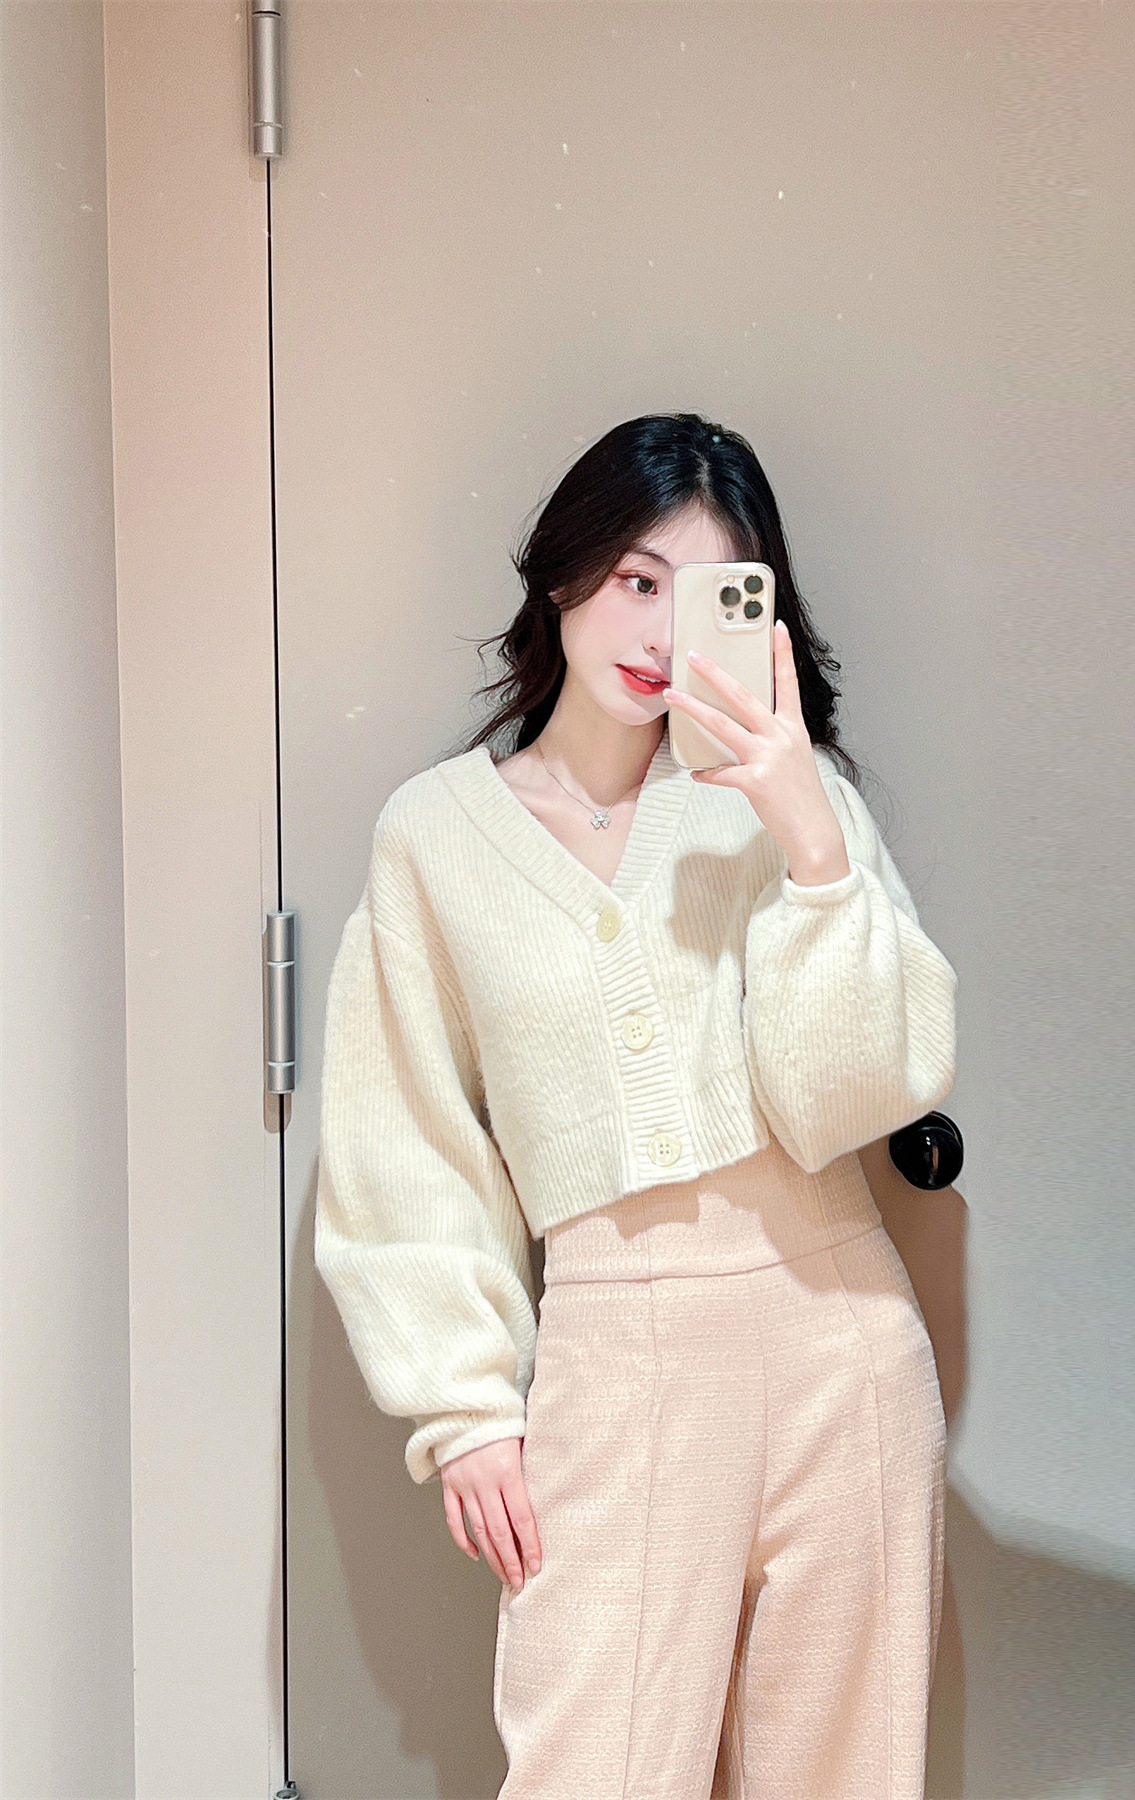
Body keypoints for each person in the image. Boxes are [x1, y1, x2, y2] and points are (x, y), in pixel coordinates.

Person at [314, 412, 958, 1799]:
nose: (661, 630)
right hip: (615, 1356)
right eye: (634, 578)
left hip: (838, 1335)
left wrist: (809, 837)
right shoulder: (435, 836)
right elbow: (400, 1142)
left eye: (708, 592)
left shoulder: (792, 807)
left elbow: (856, 1093)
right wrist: (465, 1410)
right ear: (565, 574)